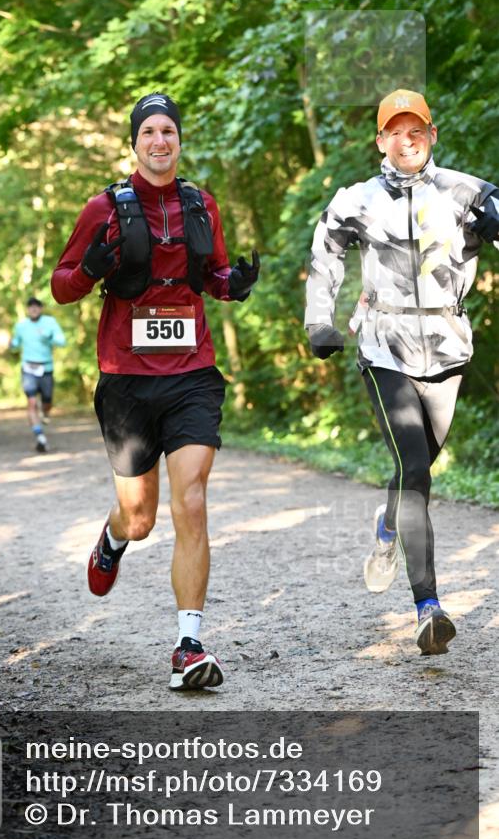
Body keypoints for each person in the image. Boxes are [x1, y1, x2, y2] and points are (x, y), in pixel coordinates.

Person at [51, 92, 260, 690]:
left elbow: (212, 275)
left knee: (190, 500)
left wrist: (234, 282)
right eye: (150, 132)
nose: (160, 141)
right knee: (142, 517)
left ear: (178, 140)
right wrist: (90, 267)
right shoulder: (104, 208)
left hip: (192, 373)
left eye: (169, 130)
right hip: (126, 380)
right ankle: (114, 538)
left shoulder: (201, 204)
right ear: (135, 143)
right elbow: (63, 286)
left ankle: (189, 645)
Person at [304, 88, 498, 656]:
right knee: (415, 465)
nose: (406, 140)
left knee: (414, 471)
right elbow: (325, 252)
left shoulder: (466, 192)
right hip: (383, 346)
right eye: (395, 131)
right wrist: (321, 321)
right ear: (381, 140)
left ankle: (387, 527)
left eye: (416, 131)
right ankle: (428, 608)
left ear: (431, 136)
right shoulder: (358, 199)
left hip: (447, 350)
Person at [11, 297, 66, 452]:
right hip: (28, 368)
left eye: (36, 307)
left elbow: (62, 341)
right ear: (27, 310)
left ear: (41, 309)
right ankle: (40, 436)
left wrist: (48, 337)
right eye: (30, 307)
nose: (33, 309)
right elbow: (15, 345)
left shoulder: (50, 322)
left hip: (46, 368)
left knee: (47, 402)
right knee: (32, 402)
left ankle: (46, 412)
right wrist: (10, 343)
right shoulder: (21, 325)